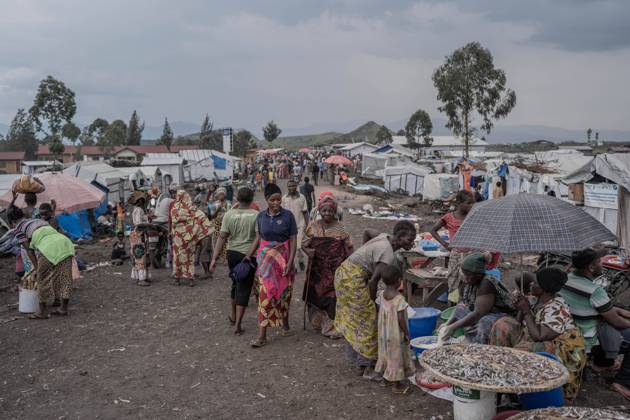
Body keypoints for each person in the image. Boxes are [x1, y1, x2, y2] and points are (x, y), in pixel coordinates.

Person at [334, 221, 416, 379]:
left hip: (344, 273)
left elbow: (366, 231)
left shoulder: (383, 236)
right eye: (409, 239)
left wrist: (364, 253)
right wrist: (372, 303)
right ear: (398, 236)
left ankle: (357, 360)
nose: (411, 243)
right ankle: (367, 367)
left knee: (354, 319)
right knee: (368, 320)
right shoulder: (387, 254)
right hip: (352, 279)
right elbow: (373, 281)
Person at [489, 268, 586, 400]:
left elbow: (539, 337)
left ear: (544, 288)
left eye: (535, 283)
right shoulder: (537, 299)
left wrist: (527, 311)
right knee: (503, 324)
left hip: (558, 348)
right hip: (537, 337)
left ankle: (515, 388)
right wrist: (521, 308)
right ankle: (498, 370)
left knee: (520, 352)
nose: (531, 285)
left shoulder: (556, 308)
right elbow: (518, 323)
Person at [559, 249, 630, 399]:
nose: (602, 264)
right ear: (591, 268)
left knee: (608, 324)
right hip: (585, 340)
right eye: (599, 262)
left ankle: (602, 363)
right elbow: (617, 322)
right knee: (620, 330)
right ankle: (622, 382)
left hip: (568, 330)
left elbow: (597, 306)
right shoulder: (595, 290)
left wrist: (618, 310)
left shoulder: (566, 278)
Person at [244, 183, 298, 348]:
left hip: (283, 262)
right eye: (272, 200)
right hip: (265, 264)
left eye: (278, 199)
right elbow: (259, 238)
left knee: (284, 295)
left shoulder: (288, 216)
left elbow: (293, 239)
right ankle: (262, 336)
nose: (276, 202)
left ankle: (286, 324)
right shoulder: (261, 217)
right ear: (266, 200)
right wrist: (248, 255)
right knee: (265, 297)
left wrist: (290, 262)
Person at [8, 206, 75, 318]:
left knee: (42, 278)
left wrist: (37, 267)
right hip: (64, 243)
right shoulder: (38, 220)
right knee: (64, 277)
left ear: (12, 222)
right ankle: (63, 308)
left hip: (47, 246)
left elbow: (29, 249)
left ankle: (41, 312)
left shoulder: (18, 228)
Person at [302, 196, 353, 338]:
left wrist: (349, 264)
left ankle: (332, 325)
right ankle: (318, 322)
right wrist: (308, 252)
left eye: (330, 211)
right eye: (324, 210)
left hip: (335, 268)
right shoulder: (313, 226)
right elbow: (304, 244)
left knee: (333, 295)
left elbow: (349, 246)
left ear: (335, 211)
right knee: (316, 294)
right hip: (317, 269)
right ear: (319, 211)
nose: (327, 213)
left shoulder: (341, 227)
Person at [210, 187, 258, 335]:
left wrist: (214, 258)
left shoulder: (229, 214)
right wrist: (250, 254)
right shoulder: (256, 215)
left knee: (235, 283)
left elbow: (222, 237)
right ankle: (238, 324)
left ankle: (233, 314)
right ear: (251, 199)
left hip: (232, 254)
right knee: (245, 287)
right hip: (248, 256)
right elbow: (258, 237)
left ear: (237, 199)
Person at [441, 253, 516, 344]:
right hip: (484, 313)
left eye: (468, 275)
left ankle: (477, 345)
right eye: (464, 274)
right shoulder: (470, 282)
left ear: (478, 274)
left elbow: (478, 313)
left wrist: (453, 327)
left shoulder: (486, 283)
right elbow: (462, 304)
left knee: (485, 322)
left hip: (500, 314)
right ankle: (467, 338)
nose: (466, 278)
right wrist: (447, 324)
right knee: (460, 308)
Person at [430, 190, 476, 303]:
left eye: (473, 203)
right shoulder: (449, 217)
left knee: (468, 281)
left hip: (470, 255)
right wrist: (445, 244)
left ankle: (466, 304)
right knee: (453, 281)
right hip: (455, 255)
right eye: (469, 203)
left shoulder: (473, 216)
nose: (471, 206)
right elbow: (433, 230)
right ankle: (453, 306)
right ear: (459, 203)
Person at [374, 265, 415, 394]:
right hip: (395, 334)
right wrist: (407, 333)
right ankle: (397, 385)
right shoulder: (399, 299)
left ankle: (385, 379)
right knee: (396, 357)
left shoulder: (381, 294)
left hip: (383, 332)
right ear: (398, 281)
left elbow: (379, 309)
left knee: (385, 353)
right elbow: (401, 319)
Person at [170, 190, 212, 287]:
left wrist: (181, 223)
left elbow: (173, 221)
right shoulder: (192, 207)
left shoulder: (174, 208)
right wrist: (192, 223)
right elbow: (201, 216)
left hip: (178, 238)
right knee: (189, 258)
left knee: (177, 258)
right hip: (189, 237)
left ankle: (177, 279)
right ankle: (190, 280)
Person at [281, 180, 309, 272]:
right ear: (287, 187)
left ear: (296, 186)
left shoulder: (301, 197)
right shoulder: (284, 198)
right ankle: (295, 266)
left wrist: (308, 225)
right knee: (290, 247)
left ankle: (300, 261)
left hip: (300, 225)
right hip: (288, 227)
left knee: (298, 246)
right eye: (289, 186)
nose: (291, 188)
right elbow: (282, 213)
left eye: (293, 186)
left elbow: (305, 212)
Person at [128, 192, 151, 286]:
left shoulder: (137, 210)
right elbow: (138, 223)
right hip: (139, 235)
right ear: (141, 201)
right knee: (140, 256)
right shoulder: (139, 210)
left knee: (140, 255)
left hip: (137, 234)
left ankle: (141, 277)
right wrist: (148, 224)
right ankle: (141, 279)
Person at [208, 187, 230, 265]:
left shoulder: (228, 203)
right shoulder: (215, 204)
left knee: (226, 241)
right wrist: (218, 209)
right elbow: (211, 216)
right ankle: (216, 257)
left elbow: (230, 213)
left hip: (226, 224)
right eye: (220, 194)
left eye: (222, 194)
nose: (221, 195)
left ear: (225, 195)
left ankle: (225, 258)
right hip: (216, 224)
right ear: (217, 195)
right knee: (216, 240)